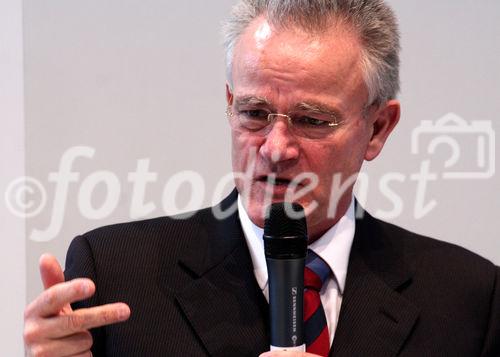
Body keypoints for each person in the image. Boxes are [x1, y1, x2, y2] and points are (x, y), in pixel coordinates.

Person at [24, 0, 500, 356]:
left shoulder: (468, 298)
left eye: (312, 120)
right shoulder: (117, 276)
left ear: (377, 128)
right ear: (230, 103)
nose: (275, 149)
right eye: (254, 113)